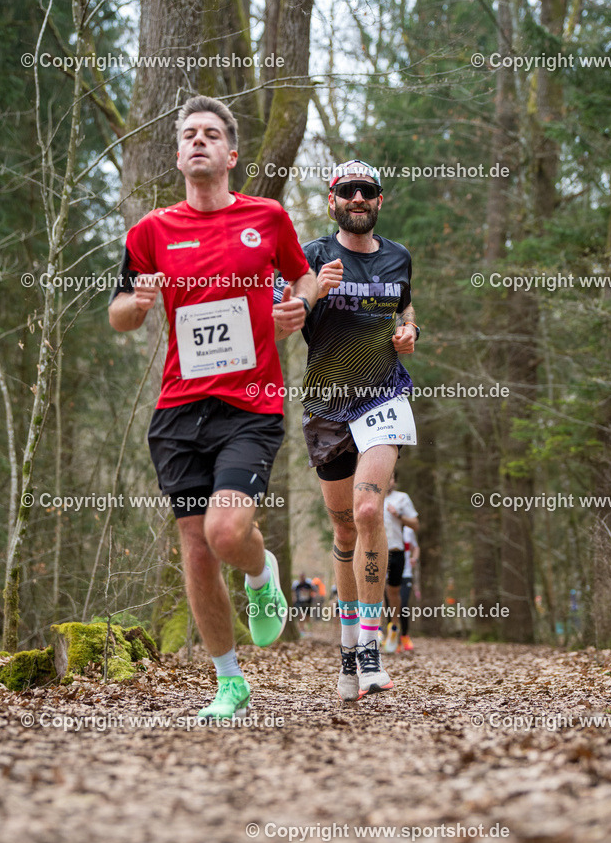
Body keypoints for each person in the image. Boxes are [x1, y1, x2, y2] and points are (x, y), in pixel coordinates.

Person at [109, 95, 317, 721]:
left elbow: (302, 277)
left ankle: (261, 571)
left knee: (226, 532)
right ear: (178, 155)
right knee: (196, 547)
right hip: (178, 408)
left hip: (251, 404)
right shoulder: (150, 232)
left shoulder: (269, 217)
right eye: (189, 135)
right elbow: (118, 313)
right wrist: (139, 304)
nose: (199, 142)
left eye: (211, 134)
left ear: (231, 154)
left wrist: (298, 306)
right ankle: (229, 682)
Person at [300, 159, 420, 701]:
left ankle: (370, 648)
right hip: (327, 407)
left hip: (383, 397)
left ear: (378, 200)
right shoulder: (313, 257)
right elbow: (281, 316)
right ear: (333, 200)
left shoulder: (398, 257)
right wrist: (314, 294)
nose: (357, 198)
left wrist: (410, 328)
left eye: (366, 190)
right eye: (347, 190)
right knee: (345, 532)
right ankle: (348, 650)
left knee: (370, 510)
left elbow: (405, 303)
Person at [383, 471, 419, 652]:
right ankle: (374, 632)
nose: (387, 480)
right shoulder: (371, 496)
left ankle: (394, 628)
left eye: (390, 477)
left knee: (394, 594)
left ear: (395, 481)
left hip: (396, 551)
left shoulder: (401, 498)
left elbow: (415, 524)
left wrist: (398, 515)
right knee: (374, 593)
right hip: (374, 551)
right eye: (384, 476)